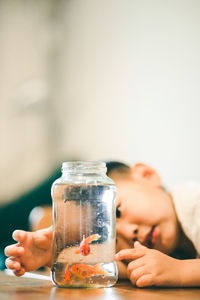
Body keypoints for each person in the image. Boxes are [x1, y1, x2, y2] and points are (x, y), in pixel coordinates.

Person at [4, 161, 200, 287]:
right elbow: (114, 265)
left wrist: (180, 271)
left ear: (146, 175)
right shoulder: (165, 250)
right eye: (113, 238)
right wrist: (57, 255)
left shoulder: (194, 203)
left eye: (118, 211)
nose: (127, 233)